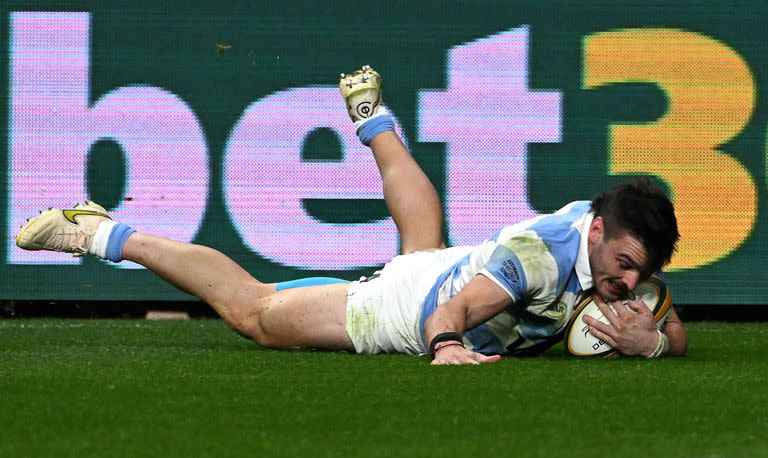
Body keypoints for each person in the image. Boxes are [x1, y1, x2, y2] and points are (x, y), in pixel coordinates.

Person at [16, 65, 687, 364]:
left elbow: (669, 323)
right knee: (259, 314)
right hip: (407, 307)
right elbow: (443, 317)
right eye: (625, 266)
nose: (630, 283)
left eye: (640, 272)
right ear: (595, 232)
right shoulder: (539, 255)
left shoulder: (620, 244)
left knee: (422, 244)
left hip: (444, 267)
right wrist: (450, 348)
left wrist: (650, 341)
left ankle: (372, 117)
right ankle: (100, 230)